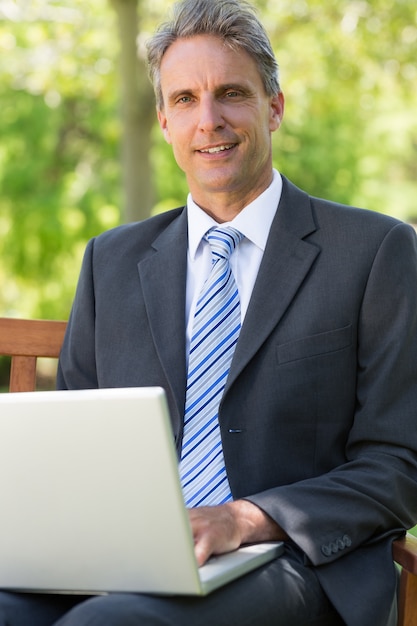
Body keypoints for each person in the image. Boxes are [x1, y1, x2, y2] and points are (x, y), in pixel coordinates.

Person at [2, 0, 417, 624]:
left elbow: (398, 464)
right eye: (186, 100)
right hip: (128, 557)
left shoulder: (376, 251)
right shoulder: (110, 262)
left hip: (292, 565)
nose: (210, 121)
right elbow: (79, 451)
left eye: (231, 93)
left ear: (274, 107)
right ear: (165, 122)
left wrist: (243, 519)